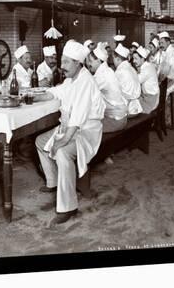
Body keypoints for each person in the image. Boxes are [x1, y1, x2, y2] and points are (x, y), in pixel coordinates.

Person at [33, 40, 105, 224]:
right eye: (62, 61)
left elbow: (77, 120)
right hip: (73, 126)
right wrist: (36, 96)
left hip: (87, 130)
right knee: (41, 141)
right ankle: (54, 181)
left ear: (77, 63)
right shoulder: (71, 79)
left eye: (66, 62)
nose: (61, 66)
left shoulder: (85, 81)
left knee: (63, 152)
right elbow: (57, 92)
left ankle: (68, 206)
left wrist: (62, 140)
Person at [86, 43, 128, 132]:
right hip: (121, 116)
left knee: (83, 129)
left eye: (90, 61)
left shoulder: (102, 75)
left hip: (115, 120)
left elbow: (86, 90)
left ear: (98, 60)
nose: (88, 64)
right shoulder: (107, 70)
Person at [113, 44, 143, 116]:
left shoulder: (119, 71)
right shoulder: (131, 68)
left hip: (128, 110)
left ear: (118, 59)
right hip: (137, 108)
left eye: (113, 58)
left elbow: (114, 92)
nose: (112, 61)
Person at [132, 46, 160, 114]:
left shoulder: (147, 69)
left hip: (150, 100)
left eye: (136, 58)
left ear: (142, 59)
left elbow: (136, 81)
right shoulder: (148, 65)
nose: (133, 61)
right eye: (133, 58)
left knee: (131, 105)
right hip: (149, 96)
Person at [157, 31, 174, 96]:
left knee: (159, 93)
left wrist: (160, 83)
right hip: (164, 80)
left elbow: (173, 76)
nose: (160, 45)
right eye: (159, 43)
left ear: (168, 42)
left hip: (172, 81)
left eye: (162, 43)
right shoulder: (164, 52)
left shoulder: (173, 54)